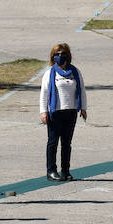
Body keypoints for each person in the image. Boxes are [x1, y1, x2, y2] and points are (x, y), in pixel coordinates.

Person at [39, 43, 87, 179]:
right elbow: (44, 93)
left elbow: (82, 90)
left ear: (68, 55)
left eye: (63, 53)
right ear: (53, 57)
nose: (60, 56)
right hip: (55, 112)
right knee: (53, 142)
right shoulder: (50, 73)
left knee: (67, 143)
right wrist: (43, 111)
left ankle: (65, 170)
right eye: (57, 54)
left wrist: (83, 108)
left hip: (71, 111)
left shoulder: (75, 72)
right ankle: (51, 171)